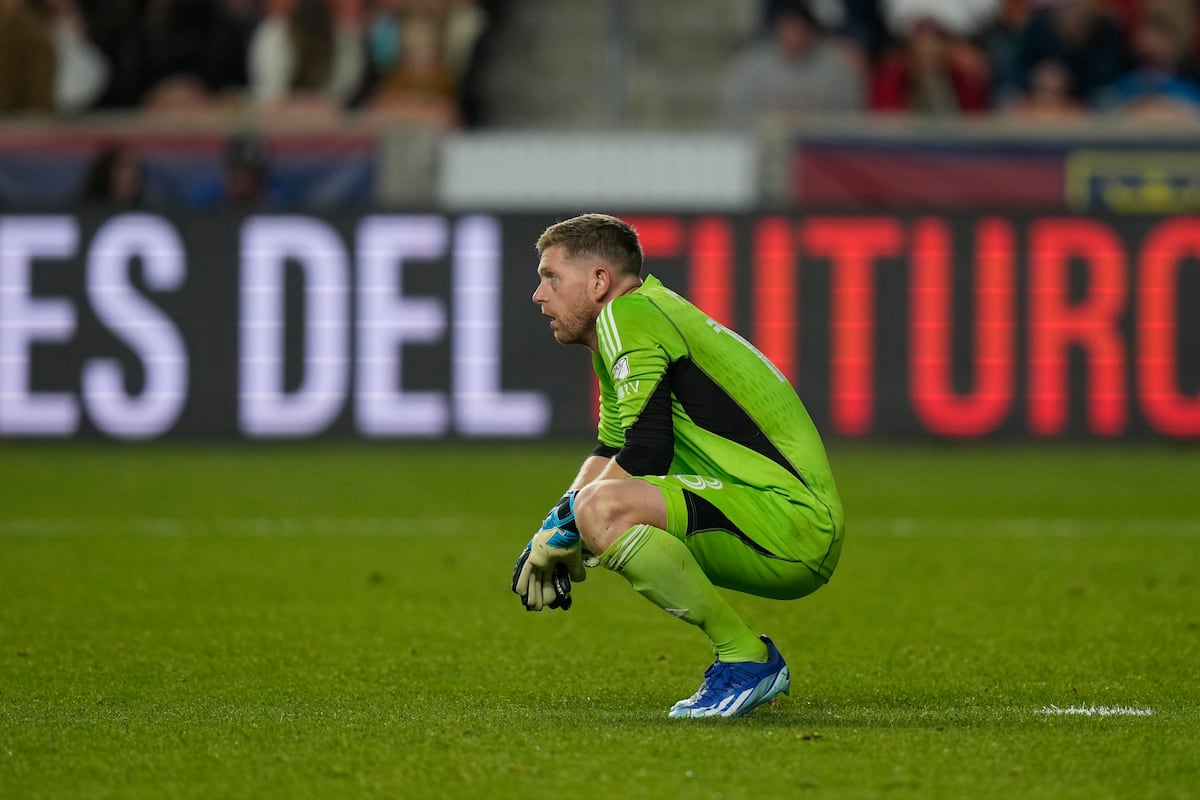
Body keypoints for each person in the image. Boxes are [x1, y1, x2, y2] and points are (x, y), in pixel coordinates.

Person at [512, 214, 845, 719]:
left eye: (551, 276)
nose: (539, 294)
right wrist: (555, 523)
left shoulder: (630, 317)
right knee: (593, 508)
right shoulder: (633, 322)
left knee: (603, 511)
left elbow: (647, 454)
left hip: (791, 522)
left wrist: (567, 527)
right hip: (765, 512)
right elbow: (612, 449)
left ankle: (747, 658)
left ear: (599, 281)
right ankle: (746, 658)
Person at [722, 0, 866, 127]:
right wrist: (771, 122)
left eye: (799, 30)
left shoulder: (835, 69)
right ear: (778, 30)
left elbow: (848, 116)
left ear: (811, 32)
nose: (794, 37)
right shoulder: (751, 67)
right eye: (789, 29)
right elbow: (737, 112)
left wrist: (816, 120)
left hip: (820, 149)